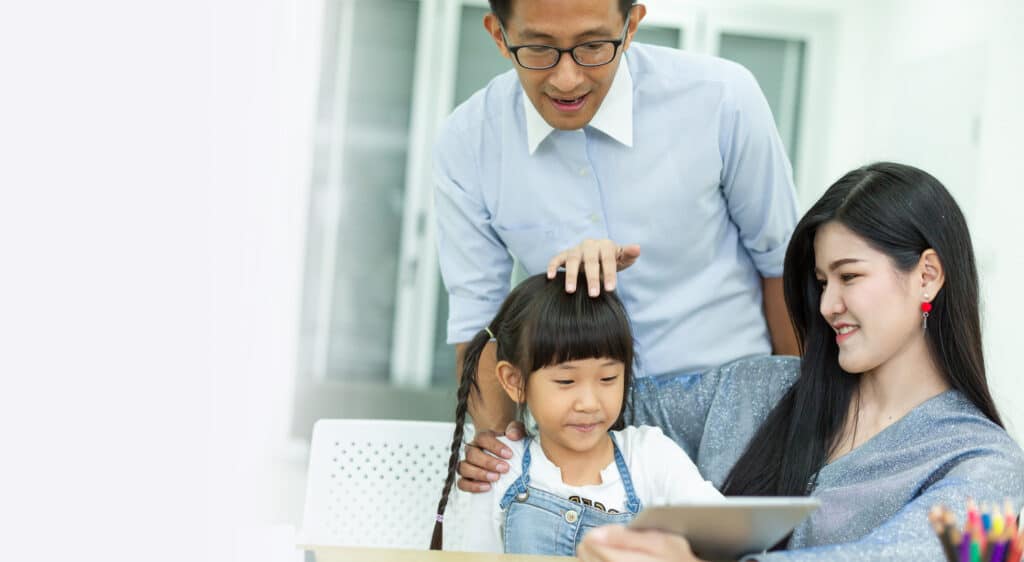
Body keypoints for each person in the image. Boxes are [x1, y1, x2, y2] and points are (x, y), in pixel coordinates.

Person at [466, 163, 1024, 560]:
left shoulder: (992, 468)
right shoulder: (752, 388)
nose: (828, 305)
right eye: (822, 281)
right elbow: (561, 397)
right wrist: (560, 303)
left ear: (926, 274)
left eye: (850, 277)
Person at [434, 0, 801, 435]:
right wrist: (497, 442)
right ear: (499, 35)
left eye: (592, 46)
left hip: (737, 402)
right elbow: (480, 324)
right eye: (538, 49)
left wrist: (798, 420)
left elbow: (782, 266)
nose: (566, 79)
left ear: (631, 26)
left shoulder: (722, 98)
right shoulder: (469, 140)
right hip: (581, 422)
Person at [430, 271, 722, 556]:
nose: (589, 403)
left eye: (608, 379)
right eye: (566, 381)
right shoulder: (503, 469)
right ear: (515, 381)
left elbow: (725, 536)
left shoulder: (651, 456)